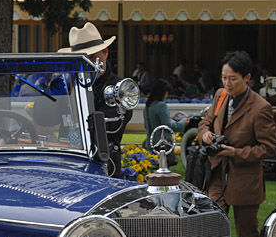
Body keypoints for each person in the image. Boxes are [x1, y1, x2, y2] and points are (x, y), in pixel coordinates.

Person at [199, 50, 276, 237]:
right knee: (211, 225)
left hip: (245, 179)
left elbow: (269, 148)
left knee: (247, 235)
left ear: (247, 78)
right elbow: (206, 121)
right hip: (217, 174)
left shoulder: (261, 108)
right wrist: (205, 133)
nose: (227, 83)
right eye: (224, 77)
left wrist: (237, 153)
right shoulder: (220, 95)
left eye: (232, 78)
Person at [58, 22, 128, 177]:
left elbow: (109, 125)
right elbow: (44, 117)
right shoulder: (67, 83)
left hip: (105, 165)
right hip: (68, 160)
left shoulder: (119, 87)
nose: (88, 64)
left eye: (93, 57)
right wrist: (64, 87)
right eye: (83, 59)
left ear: (105, 52)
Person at [143, 79, 185, 152]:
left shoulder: (147, 107)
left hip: (150, 143)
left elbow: (146, 126)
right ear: (163, 93)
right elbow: (168, 125)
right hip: (162, 144)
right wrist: (184, 124)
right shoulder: (161, 105)